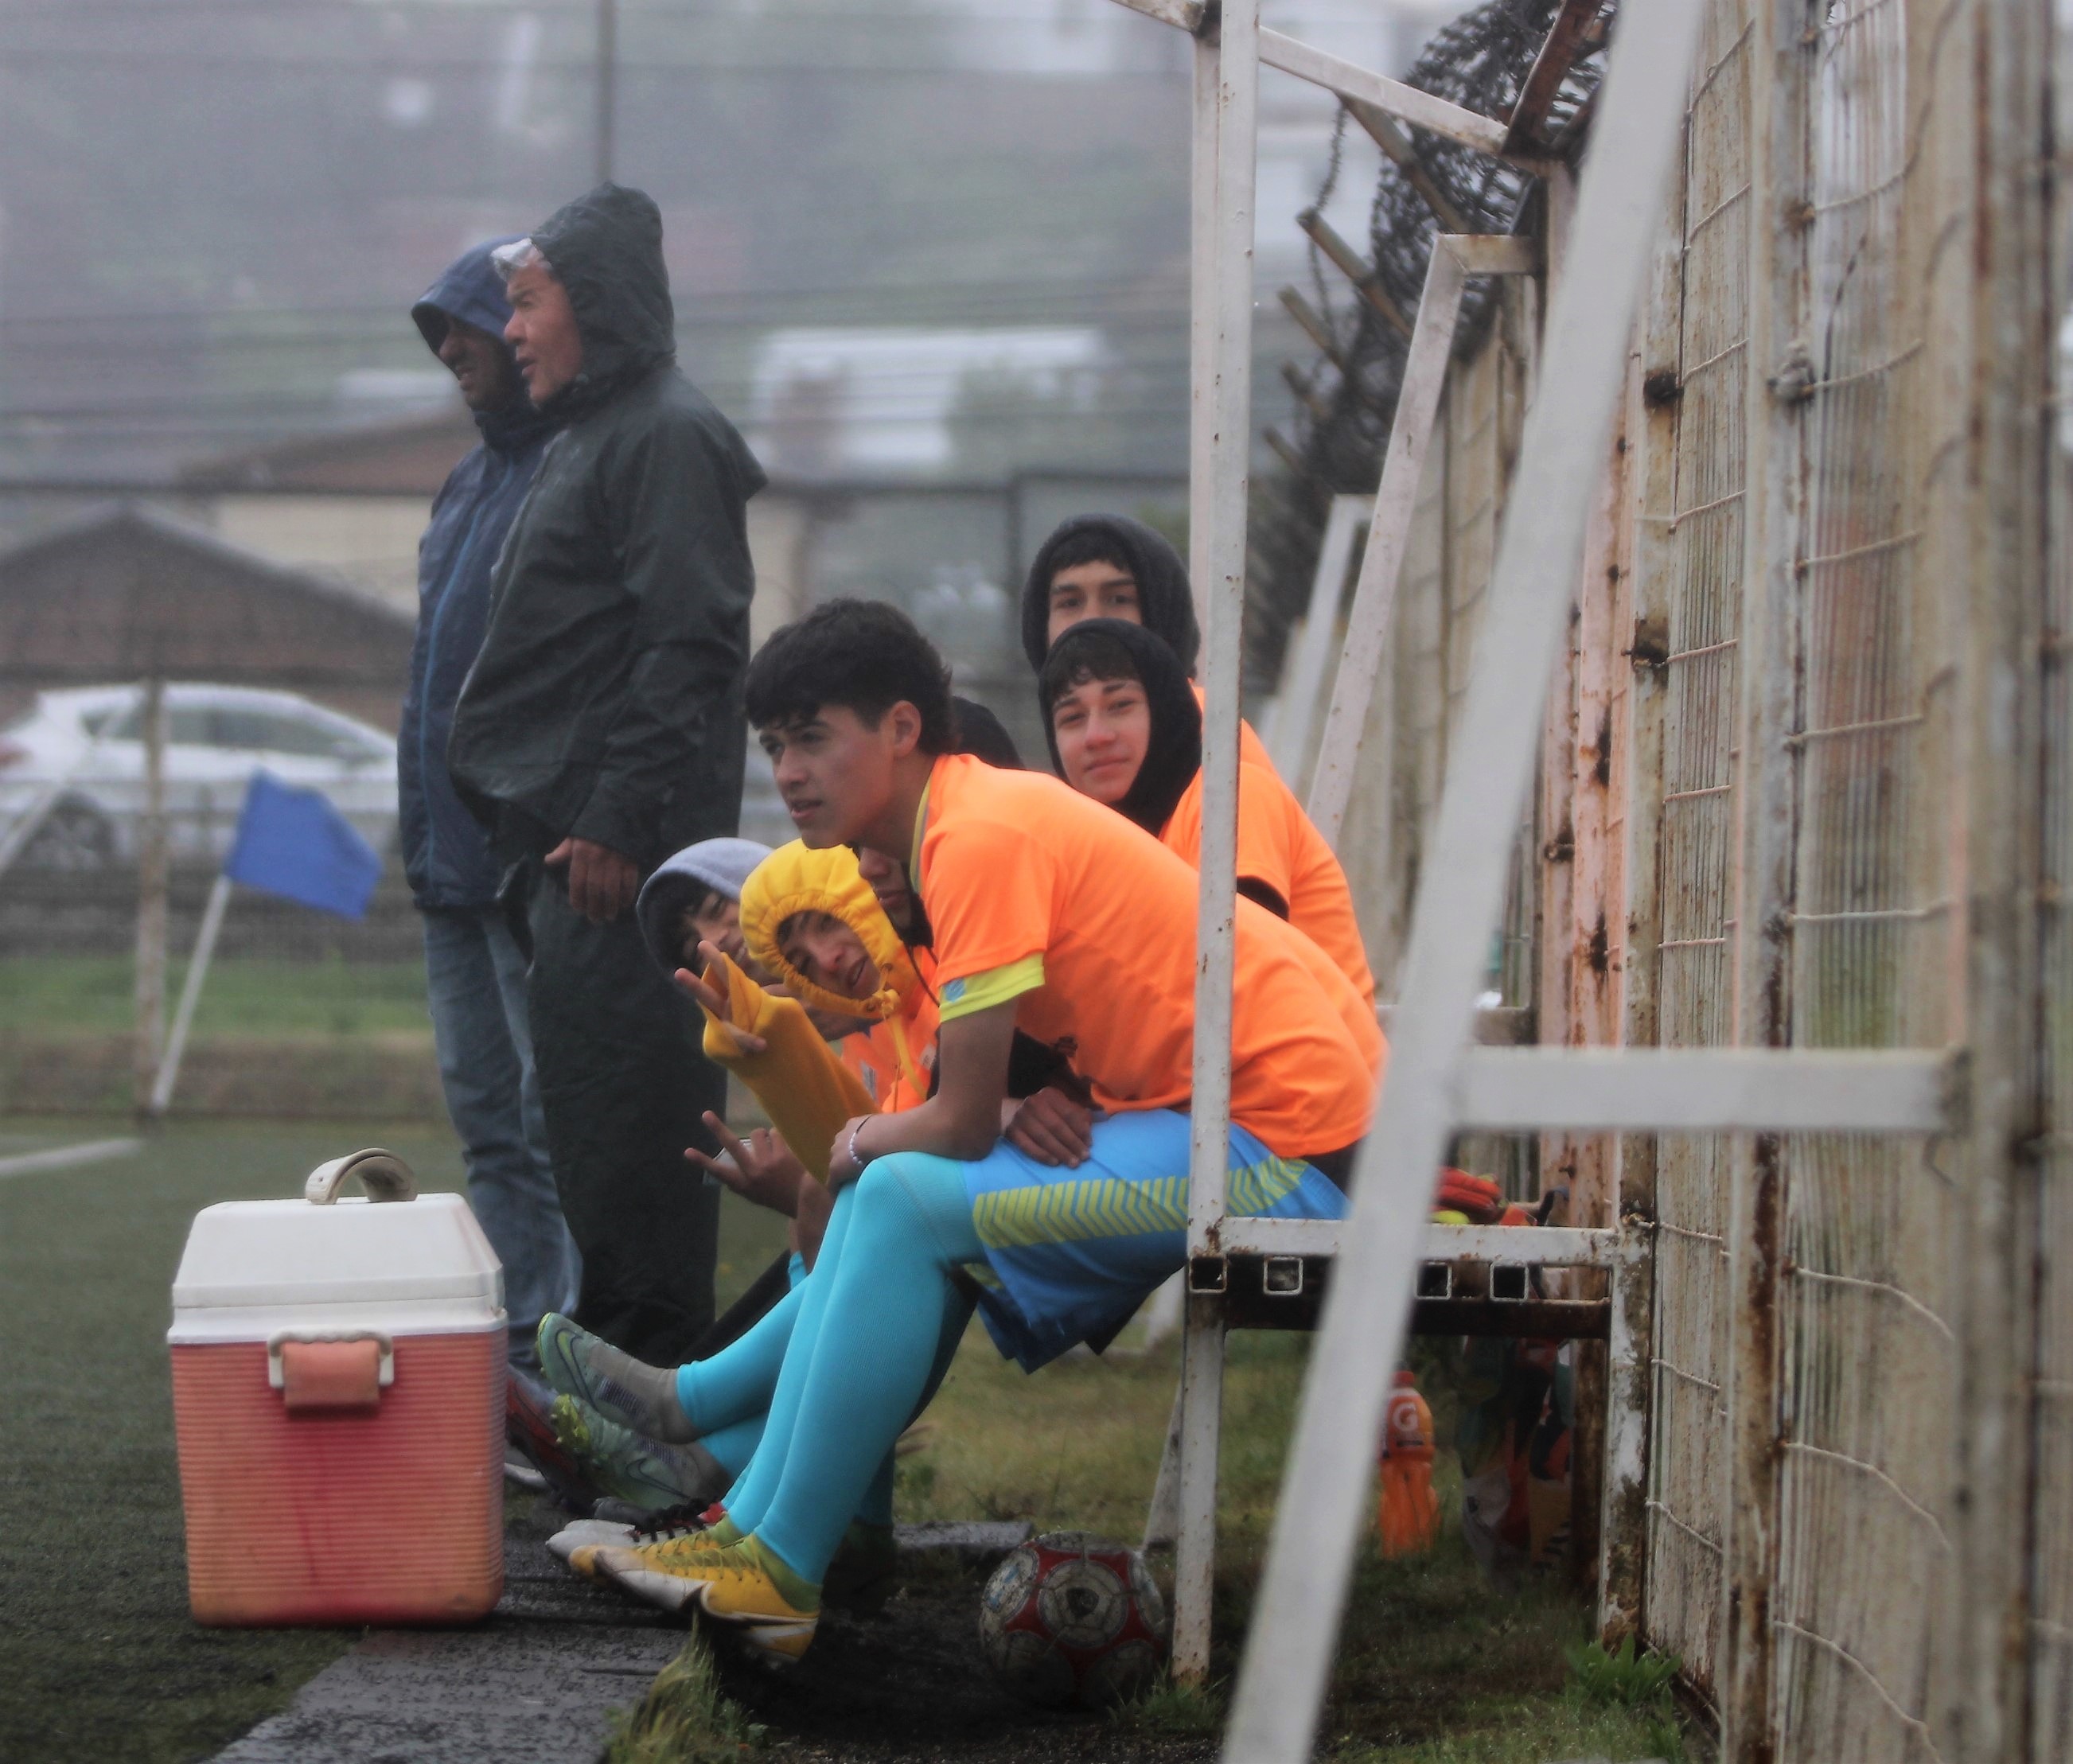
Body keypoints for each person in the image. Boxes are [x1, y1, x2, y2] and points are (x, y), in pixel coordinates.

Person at [564, 598, 1381, 1665]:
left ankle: (770, 1548)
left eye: (813, 738)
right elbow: (963, 1106)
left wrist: (857, 1140)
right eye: (774, 747)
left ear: (902, 729)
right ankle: (744, 1533)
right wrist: (849, 1127)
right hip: (1213, 1122)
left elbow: (951, 1124)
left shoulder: (974, 836)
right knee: (888, 1196)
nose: (791, 773)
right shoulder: (951, 829)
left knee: (898, 1193)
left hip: (1289, 1148)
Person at [449, 183, 766, 1365]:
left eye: (529, 302)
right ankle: (626, 1396)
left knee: (633, 1144)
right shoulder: (602, 429)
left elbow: (690, 644)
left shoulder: (665, 434)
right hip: (573, 856)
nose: (511, 330)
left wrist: (619, 820)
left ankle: (655, 1414)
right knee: (592, 1143)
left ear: (599, 303)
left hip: (620, 872)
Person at [399, 238, 578, 1384]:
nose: (453, 348)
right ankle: (514, 1369)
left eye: (465, 323)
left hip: (527, 858)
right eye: (442, 334)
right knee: (487, 1125)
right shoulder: (465, 483)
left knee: (551, 1120)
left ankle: (575, 1363)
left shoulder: (573, 468)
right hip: (445, 863)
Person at [1039, 617, 1375, 1008]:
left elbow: (1238, 978)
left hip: (1308, 1044)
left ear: (1165, 710)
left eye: (1120, 706)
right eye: (1072, 718)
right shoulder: (1088, 847)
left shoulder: (1232, 796)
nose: (1097, 736)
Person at [1019, 512, 1277, 773]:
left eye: (1118, 599)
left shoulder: (1217, 751)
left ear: (1165, 614)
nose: (1091, 620)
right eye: (1070, 603)